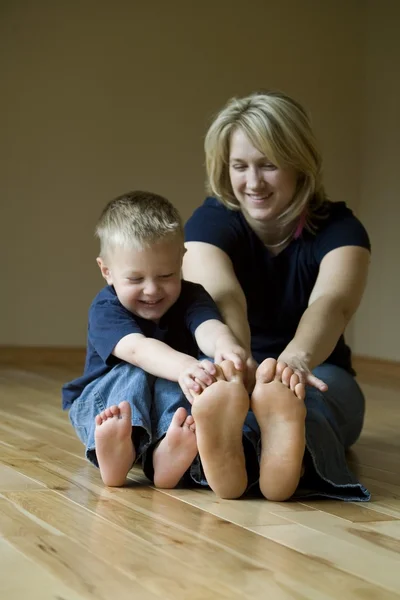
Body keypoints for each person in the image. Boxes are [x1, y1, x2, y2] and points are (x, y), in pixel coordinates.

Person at [183, 91, 371, 502]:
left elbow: (332, 304)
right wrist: (238, 358)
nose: (253, 182)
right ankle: (254, 457)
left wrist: (296, 361)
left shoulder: (342, 230)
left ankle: (279, 453)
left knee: (311, 402)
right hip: (230, 365)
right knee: (201, 394)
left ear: (299, 162)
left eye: (269, 164)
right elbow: (223, 294)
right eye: (240, 166)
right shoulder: (209, 222)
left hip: (316, 370)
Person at [62, 191, 246, 489]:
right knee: (135, 373)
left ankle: (165, 452)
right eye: (135, 279)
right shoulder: (106, 308)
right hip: (105, 407)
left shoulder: (192, 296)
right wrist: (185, 365)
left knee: (202, 372)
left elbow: (208, 326)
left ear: (181, 260)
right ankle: (118, 452)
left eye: (165, 275)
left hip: (162, 410)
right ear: (106, 271)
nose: (152, 290)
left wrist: (225, 345)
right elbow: (137, 349)